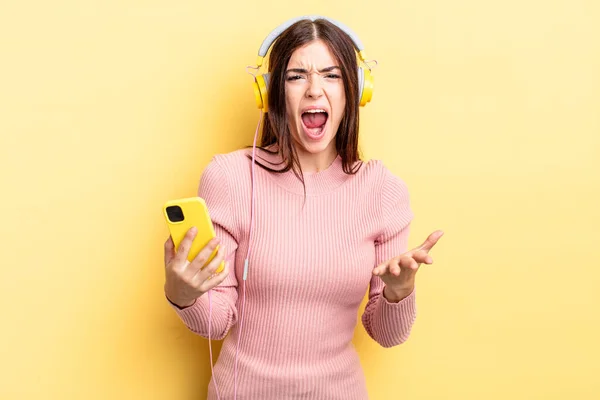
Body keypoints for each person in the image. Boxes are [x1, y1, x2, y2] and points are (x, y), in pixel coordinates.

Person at [163, 15, 444, 400]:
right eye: (297, 76)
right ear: (272, 93)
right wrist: (184, 294)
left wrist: (399, 293)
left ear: (355, 91)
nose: (314, 90)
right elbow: (215, 322)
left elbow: (387, 335)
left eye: (331, 75)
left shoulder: (382, 190)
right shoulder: (229, 178)